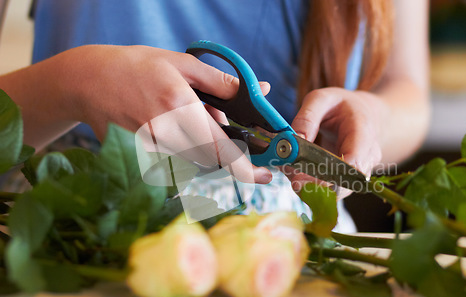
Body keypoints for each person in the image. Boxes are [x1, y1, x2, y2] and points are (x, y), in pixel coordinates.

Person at [0, 0, 430, 232]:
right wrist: (72, 84)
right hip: (72, 229)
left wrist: (374, 117)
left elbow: (408, 93)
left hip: (289, 253)